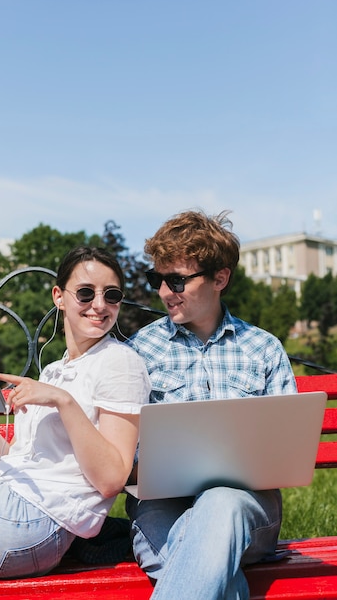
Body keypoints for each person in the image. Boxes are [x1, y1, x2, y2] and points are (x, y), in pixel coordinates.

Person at [0, 246, 151, 579]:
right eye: (86, 293)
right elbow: (17, 460)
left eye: (111, 295)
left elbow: (112, 479)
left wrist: (64, 402)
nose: (100, 305)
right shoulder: (55, 370)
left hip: (32, 524)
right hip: (5, 522)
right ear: (59, 296)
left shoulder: (119, 363)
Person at [125, 209, 297, 600]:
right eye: (158, 279)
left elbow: (285, 453)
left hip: (247, 508)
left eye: (177, 280)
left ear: (220, 278)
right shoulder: (138, 352)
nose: (164, 292)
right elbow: (120, 453)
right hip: (161, 508)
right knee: (209, 563)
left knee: (220, 504)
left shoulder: (264, 349)